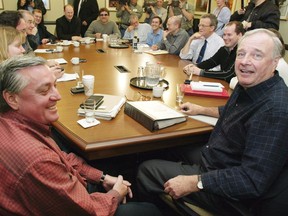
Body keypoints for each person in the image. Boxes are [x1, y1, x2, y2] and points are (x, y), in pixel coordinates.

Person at [137, 28, 288, 216]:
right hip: (217, 157)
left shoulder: (275, 110)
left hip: (230, 192)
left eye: (257, 55)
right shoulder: (253, 85)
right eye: (241, 53)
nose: (245, 61)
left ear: (275, 62)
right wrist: (201, 110)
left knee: (146, 169)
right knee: (162, 147)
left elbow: (251, 181)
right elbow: (236, 111)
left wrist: (196, 182)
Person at [0, 55, 163, 216]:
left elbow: (60, 157)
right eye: (44, 91)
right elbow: (86, 211)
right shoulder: (37, 159)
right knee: (149, 210)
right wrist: (116, 194)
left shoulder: (14, 124)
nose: (58, 96)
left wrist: (102, 177)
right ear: (12, 99)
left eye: (55, 86)